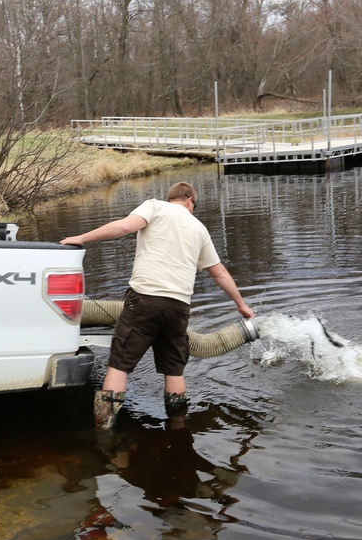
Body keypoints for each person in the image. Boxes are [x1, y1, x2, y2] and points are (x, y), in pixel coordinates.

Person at [60, 182, 254, 430]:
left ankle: (105, 432)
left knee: (119, 365)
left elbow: (123, 227)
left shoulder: (154, 207)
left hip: (145, 301)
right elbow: (220, 274)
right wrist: (241, 305)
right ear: (189, 201)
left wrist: (81, 238)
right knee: (174, 370)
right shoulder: (199, 228)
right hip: (179, 308)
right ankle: (177, 427)